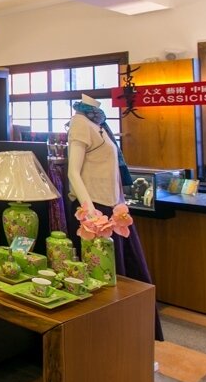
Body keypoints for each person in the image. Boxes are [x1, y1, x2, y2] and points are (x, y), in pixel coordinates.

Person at [67, 93, 163, 340]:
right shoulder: (80, 123)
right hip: (94, 209)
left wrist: (119, 205)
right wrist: (90, 212)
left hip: (113, 207)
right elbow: (73, 172)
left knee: (128, 273)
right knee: (104, 275)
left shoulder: (99, 123)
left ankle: (135, 336)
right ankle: (108, 338)